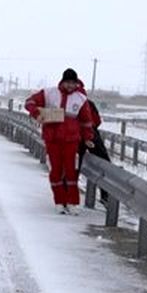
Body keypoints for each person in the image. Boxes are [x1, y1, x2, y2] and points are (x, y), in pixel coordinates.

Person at [24, 68, 96, 214]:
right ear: (62, 81)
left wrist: (88, 138)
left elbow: (86, 120)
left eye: (73, 83)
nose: (70, 86)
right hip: (52, 139)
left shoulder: (81, 99)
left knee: (71, 171)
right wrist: (37, 113)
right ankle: (59, 201)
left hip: (71, 140)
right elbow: (29, 102)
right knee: (55, 171)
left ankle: (72, 203)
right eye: (68, 82)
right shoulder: (49, 93)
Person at [78, 99, 111, 204]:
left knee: (73, 164)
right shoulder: (88, 103)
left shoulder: (65, 101)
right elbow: (97, 120)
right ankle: (105, 195)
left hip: (74, 135)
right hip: (91, 134)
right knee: (103, 163)